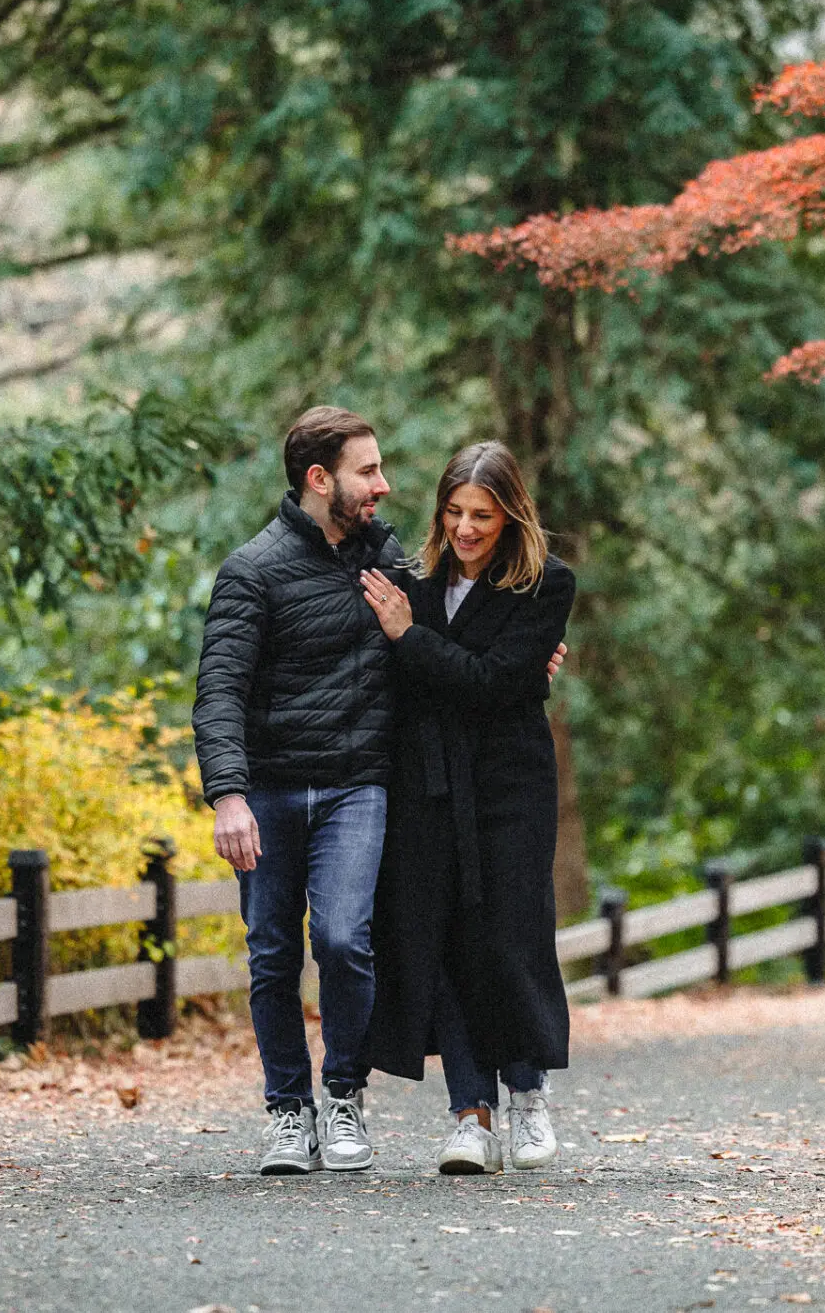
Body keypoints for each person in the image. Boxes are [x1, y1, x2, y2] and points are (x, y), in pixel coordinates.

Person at [357, 440, 578, 1176]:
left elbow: (490, 683)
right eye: (454, 512)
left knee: (509, 933)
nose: (466, 529)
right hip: (427, 785)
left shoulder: (546, 587)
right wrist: (424, 648)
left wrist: (409, 640)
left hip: (510, 786)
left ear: (511, 515)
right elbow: (448, 682)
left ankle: (527, 1095)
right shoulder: (412, 581)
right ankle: (469, 1116)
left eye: (482, 514)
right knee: (445, 940)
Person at [192, 406, 401, 1176]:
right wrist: (228, 797)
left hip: (357, 787)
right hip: (271, 793)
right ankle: (289, 1111)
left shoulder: (389, 558)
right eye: (367, 470)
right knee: (274, 958)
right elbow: (218, 691)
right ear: (320, 480)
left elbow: (444, 633)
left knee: (344, 941)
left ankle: (342, 1094)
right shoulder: (253, 569)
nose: (384, 484)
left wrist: (526, 660)